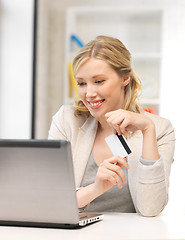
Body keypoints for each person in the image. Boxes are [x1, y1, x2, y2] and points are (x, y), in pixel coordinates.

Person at [48, 35, 175, 216]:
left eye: (99, 81)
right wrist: (95, 189)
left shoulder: (160, 129)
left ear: (125, 78)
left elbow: (151, 209)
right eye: (82, 83)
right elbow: (51, 199)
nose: (89, 93)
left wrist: (147, 129)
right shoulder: (67, 120)